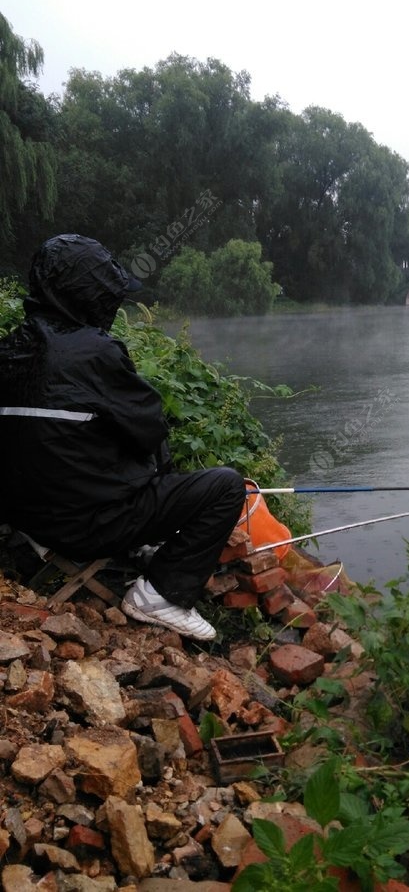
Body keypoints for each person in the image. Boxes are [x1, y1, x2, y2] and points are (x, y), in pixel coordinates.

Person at [0, 234, 246, 640]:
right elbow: (149, 429)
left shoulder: (11, 348)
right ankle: (160, 594)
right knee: (224, 486)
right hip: (84, 527)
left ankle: (138, 547)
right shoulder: (94, 353)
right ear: (87, 297)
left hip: (26, 520)